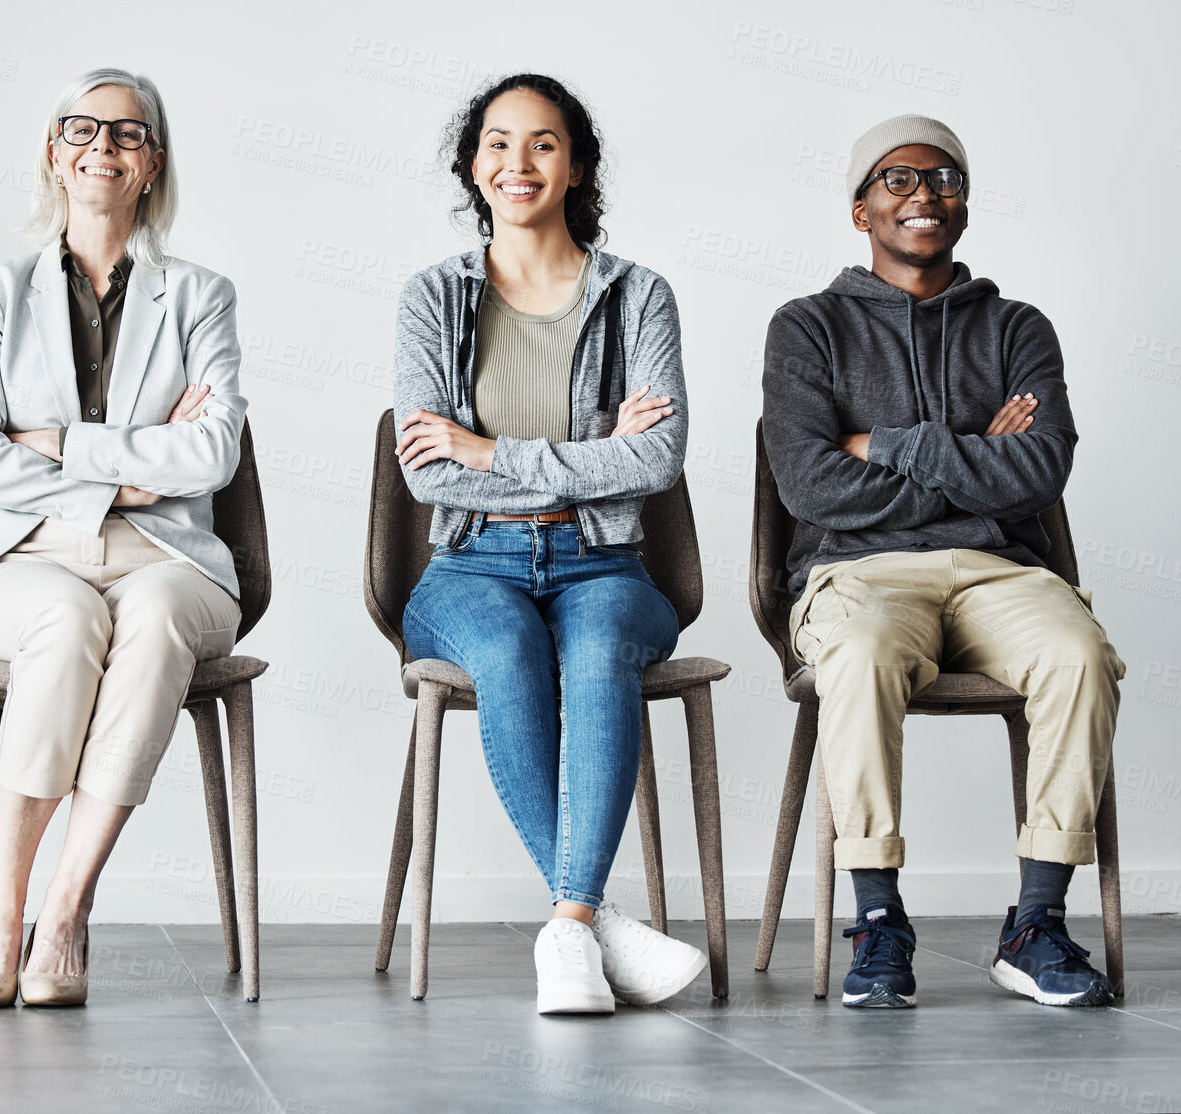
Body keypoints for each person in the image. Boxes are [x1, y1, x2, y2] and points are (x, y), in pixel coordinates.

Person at [763, 114, 1124, 1008]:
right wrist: (972, 458)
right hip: (858, 576)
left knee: (1080, 657)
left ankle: (1036, 922)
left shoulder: (1015, 328)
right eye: (897, 179)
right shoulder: (806, 328)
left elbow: (1039, 470)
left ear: (963, 204)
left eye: (943, 179)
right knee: (860, 658)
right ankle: (879, 922)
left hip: (1001, 572)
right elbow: (810, 488)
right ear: (860, 211)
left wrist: (883, 442)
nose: (923, 193)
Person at [0, 68, 246, 1008]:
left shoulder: (201, 295)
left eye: (127, 133)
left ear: (152, 165)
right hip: (15, 556)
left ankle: (64, 909)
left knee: (148, 619)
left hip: (170, 557)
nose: (102, 145)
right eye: (81, 129)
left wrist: (62, 442)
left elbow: (214, 450)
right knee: (63, 621)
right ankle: (0, 908)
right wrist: (130, 471)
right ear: (54, 154)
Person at [393, 73, 706, 1015]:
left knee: (602, 647)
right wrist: (588, 453)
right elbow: (426, 474)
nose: (516, 162)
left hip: (604, 561)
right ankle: (591, 926)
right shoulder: (431, 298)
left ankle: (568, 926)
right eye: (496, 142)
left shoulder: (638, 296)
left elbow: (655, 457)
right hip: (468, 563)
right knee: (505, 650)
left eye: (541, 143)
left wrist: (492, 449)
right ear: (473, 165)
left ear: (574, 166)